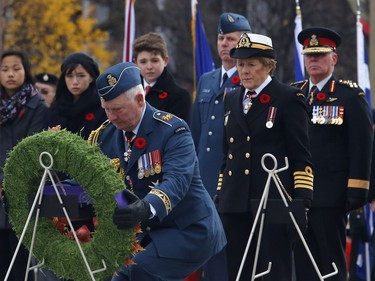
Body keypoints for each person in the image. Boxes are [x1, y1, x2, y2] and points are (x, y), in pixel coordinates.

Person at [92, 61, 226, 281]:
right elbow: (94, 178)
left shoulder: (173, 130)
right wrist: (51, 190)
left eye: (117, 109)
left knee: (133, 273)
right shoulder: (106, 135)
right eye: (106, 109)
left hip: (189, 229)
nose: (110, 117)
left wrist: (145, 207)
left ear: (140, 100)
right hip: (148, 232)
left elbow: (177, 181)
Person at [217, 32, 314, 281]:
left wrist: (301, 203)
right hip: (235, 201)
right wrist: (221, 194)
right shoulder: (232, 98)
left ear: (268, 66)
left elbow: (300, 156)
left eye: (251, 64)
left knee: (272, 270)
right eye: (240, 64)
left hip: (272, 200)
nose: (244, 71)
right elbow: (228, 154)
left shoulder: (288, 99)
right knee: (239, 271)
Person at [292, 27, 373, 281]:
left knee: (331, 265)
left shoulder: (349, 95)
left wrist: (358, 190)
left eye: (320, 55)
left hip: (331, 195)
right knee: (303, 264)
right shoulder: (294, 94)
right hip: (296, 194)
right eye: (309, 55)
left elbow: (363, 146)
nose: (313, 60)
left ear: (333, 59)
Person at [191, 12, 252, 281]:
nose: (224, 44)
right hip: (204, 177)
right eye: (220, 38)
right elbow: (195, 133)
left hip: (232, 179)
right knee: (206, 247)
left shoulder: (249, 81)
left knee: (230, 248)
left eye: (231, 38)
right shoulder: (207, 80)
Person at [0, 50, 47, 281]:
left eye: (16, 68)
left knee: (20, 264)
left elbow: (32, 148)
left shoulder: (37, 104)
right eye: (5, 69)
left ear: (25, 71)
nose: (10, 74)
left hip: (23, 192)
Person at [133, 32, 192, 124]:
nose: (149, 66)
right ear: (135, 62)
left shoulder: (179, 97)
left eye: (154, 61)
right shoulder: (129, 92)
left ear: (165, 61)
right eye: (143, 62)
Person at [46, 52, 106, 140]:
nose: (75, 82)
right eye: (69, 76)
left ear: (91, 78)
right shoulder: (56, 108)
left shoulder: (101, 108)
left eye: (81, 76)